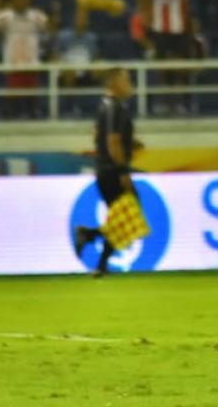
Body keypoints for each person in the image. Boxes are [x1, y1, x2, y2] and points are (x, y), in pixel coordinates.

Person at [73, 67, 142, 277]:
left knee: (121, 219)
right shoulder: (115, 108)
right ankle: (89, 235)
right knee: (131, 215)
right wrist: (123, 171)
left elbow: (98, 135)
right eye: (126, 80)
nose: (130, 85)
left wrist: (131, 144)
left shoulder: (104, 106)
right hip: (112, 171)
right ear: (114, 83)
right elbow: (113, 141)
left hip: (103, 170)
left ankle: (101, 263)